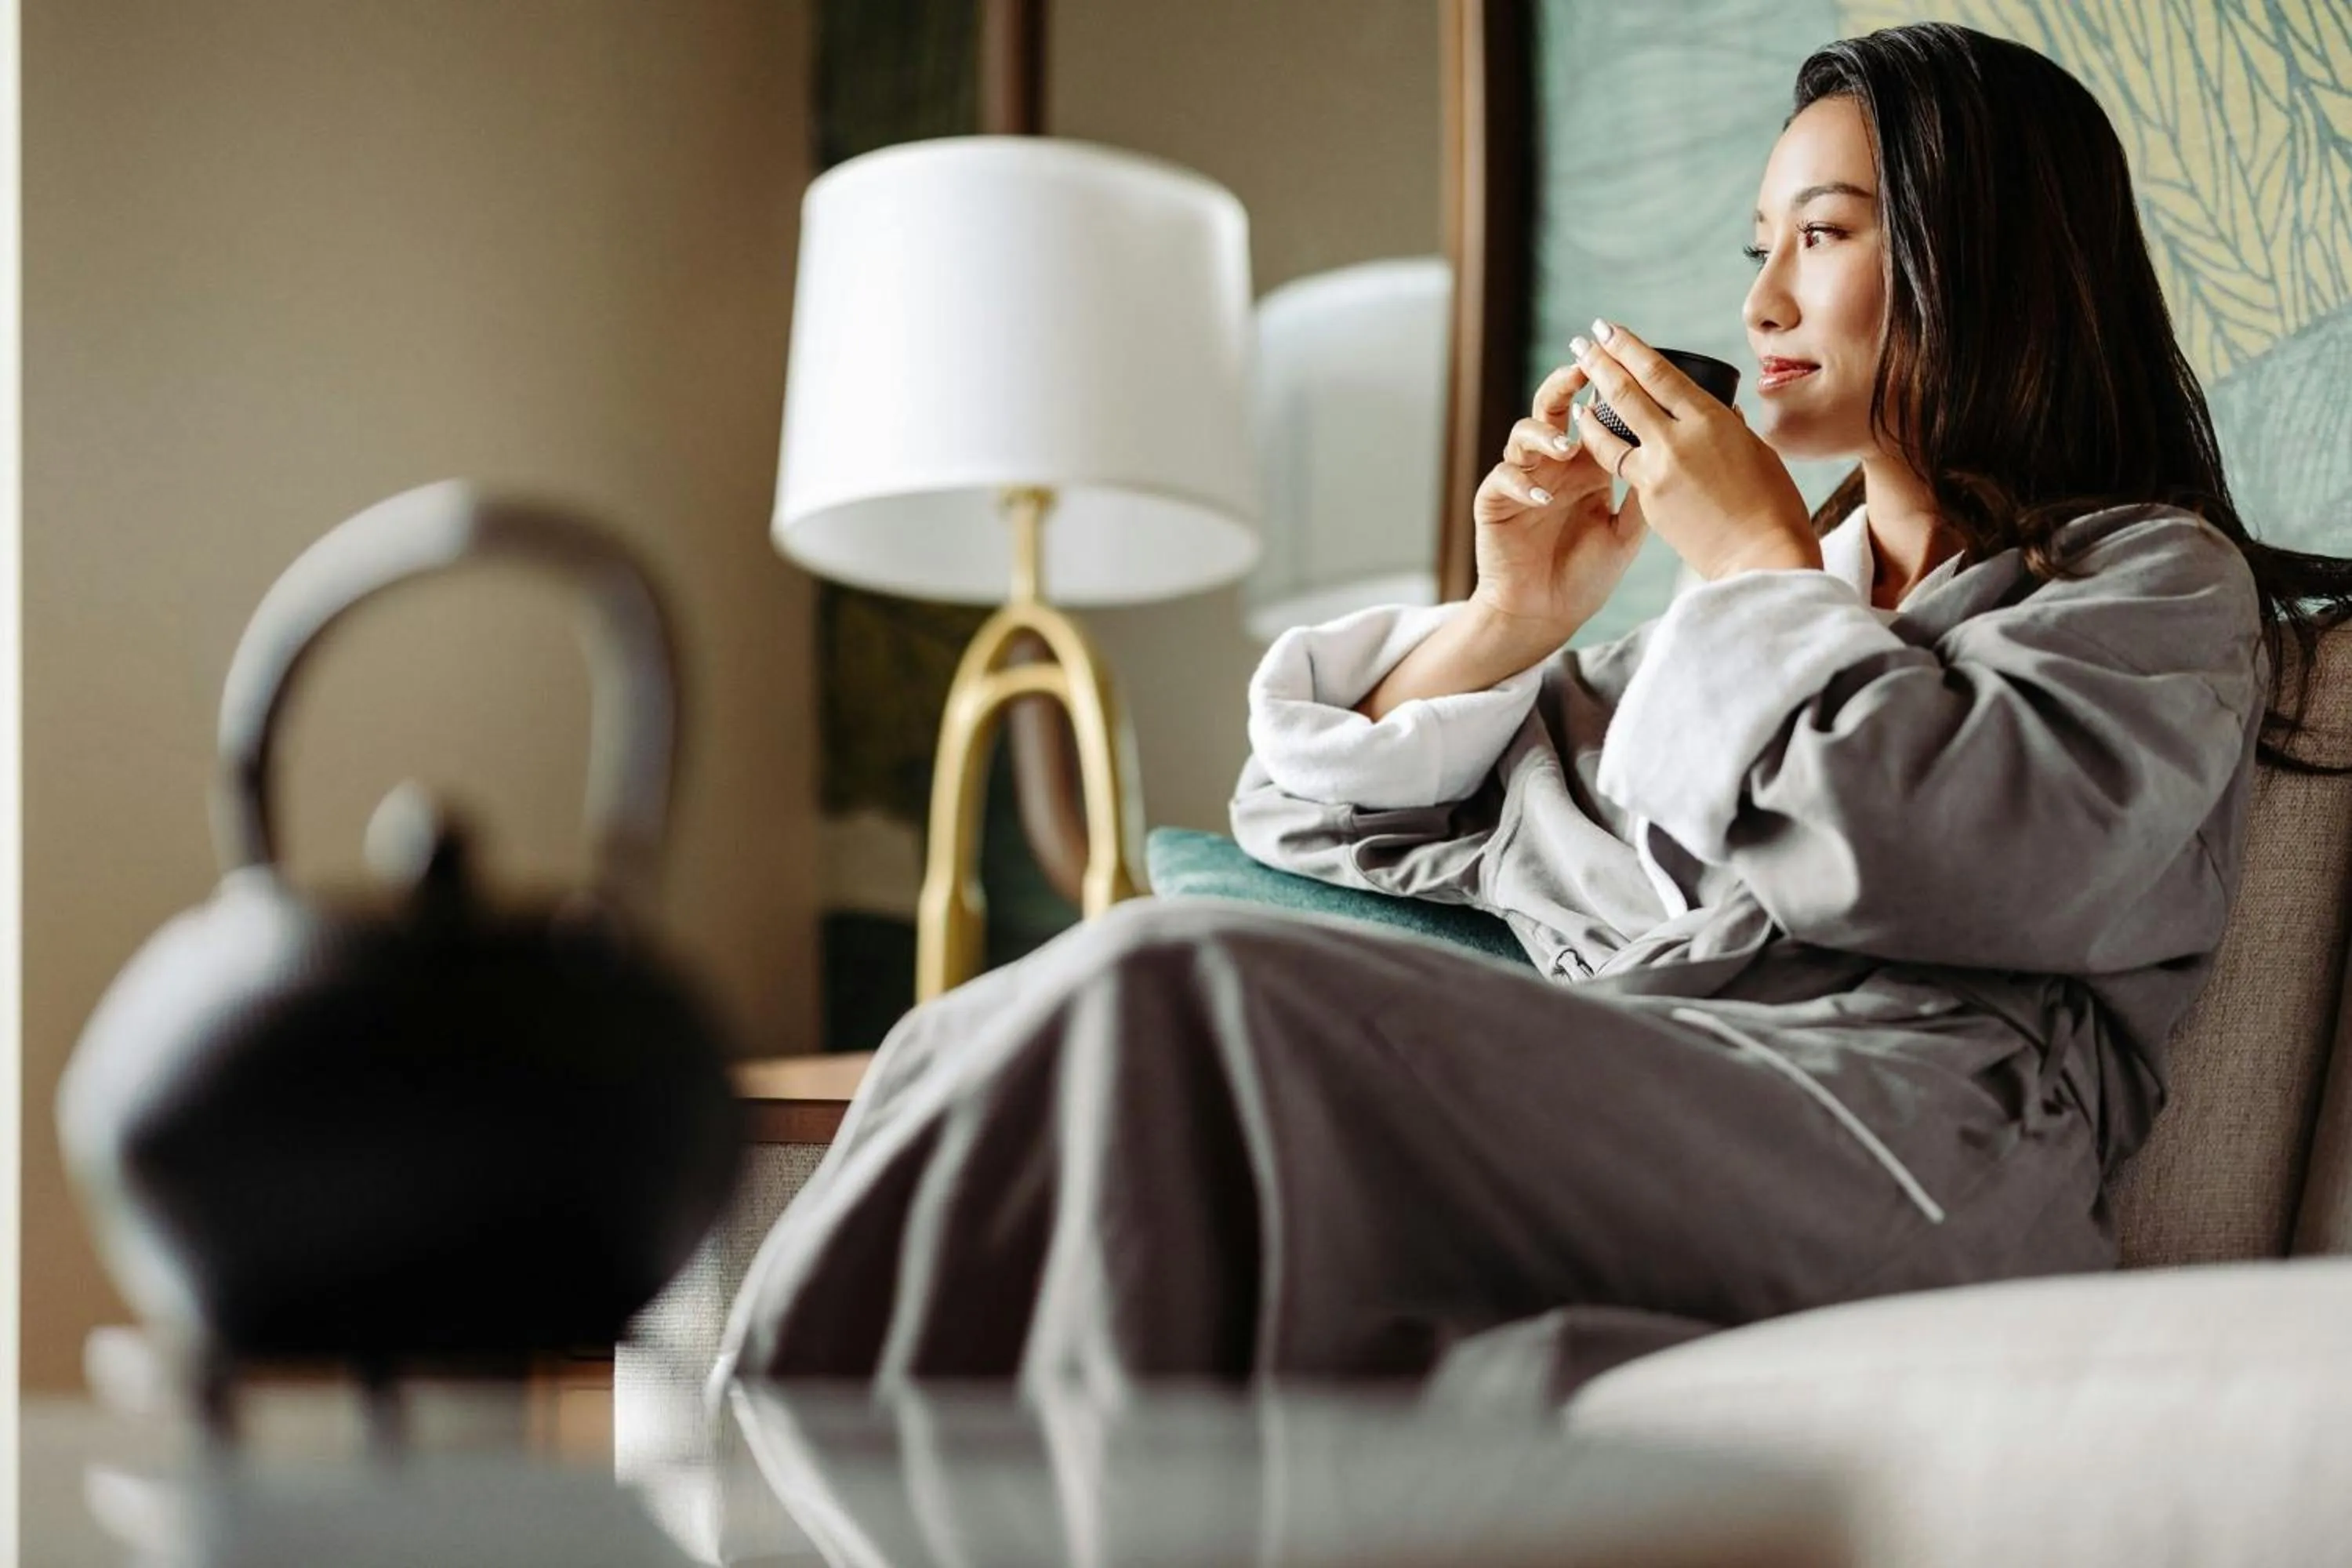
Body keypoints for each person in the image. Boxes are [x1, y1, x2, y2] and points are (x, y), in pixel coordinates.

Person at [714, 23, 2352, 1400]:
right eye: (1760, 249)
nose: (1764, 303)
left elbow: (1960, 854)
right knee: (967, 1034)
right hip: (1682, 1093)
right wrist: (1517, 616)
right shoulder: (1742, 634)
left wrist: (1756, 565)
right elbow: (1329, 824)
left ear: (1976, 255)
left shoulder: (2148, 584)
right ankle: (781, 1501)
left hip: (1926, 1148)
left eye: (1825, 235)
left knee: (1163, 982)